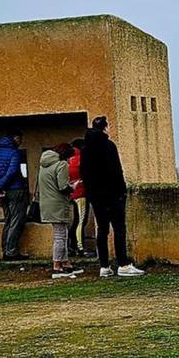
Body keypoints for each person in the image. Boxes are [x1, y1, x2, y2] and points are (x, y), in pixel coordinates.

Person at [80, 116, 144, 277]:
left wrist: (91, 192)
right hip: (112, 194)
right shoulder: (108, 146)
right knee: (119, 228)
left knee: (102, 229)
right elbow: (116, 170)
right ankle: (122, 263)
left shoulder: (86, 149)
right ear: (105, 128)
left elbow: (85, 173)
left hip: (96, 196)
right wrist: (121, 191)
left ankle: (104, 266)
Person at [38, 144, 83, 279]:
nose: (70, 161)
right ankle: (57, 266)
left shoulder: (44, 164)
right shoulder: (61, 165)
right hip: (58, 203)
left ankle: (66, 263)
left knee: (61, 234)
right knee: (60, 236)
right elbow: (63, 186)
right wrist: (73, 186)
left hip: (47, 203)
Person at [0, 129, 29, 261]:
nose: (20, 142)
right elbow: (12, 172)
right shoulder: (14, 152)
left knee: (8, 220)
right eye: (20, 139)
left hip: (2, 192)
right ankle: (11, 252)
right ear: (15, 139)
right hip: (16, 189)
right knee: (17, 220)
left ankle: (5, 249)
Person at [67, 138, 93, 257]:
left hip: (73, 193)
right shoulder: (81, 159)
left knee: (76, 220)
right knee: (81, 221)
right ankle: (80, 247)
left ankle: (73, 245)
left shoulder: (69, 160)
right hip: (81, 192)